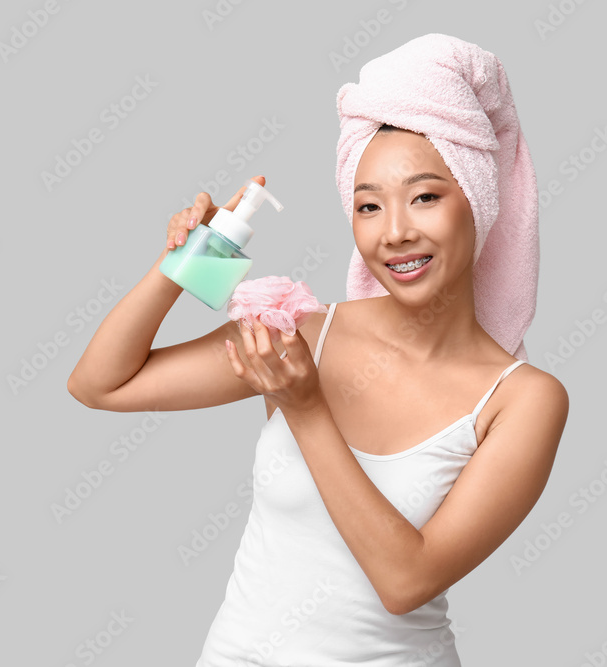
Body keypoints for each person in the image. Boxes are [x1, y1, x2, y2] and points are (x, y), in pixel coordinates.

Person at [67, 33, 568, 666]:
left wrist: (305, 408)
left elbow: (405, 582)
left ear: (478, 199)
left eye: (426, 196)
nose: (395, 232)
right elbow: (100, 385)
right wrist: (183, 263)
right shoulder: (304, 332)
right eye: (368, 206)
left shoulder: (522, 400)